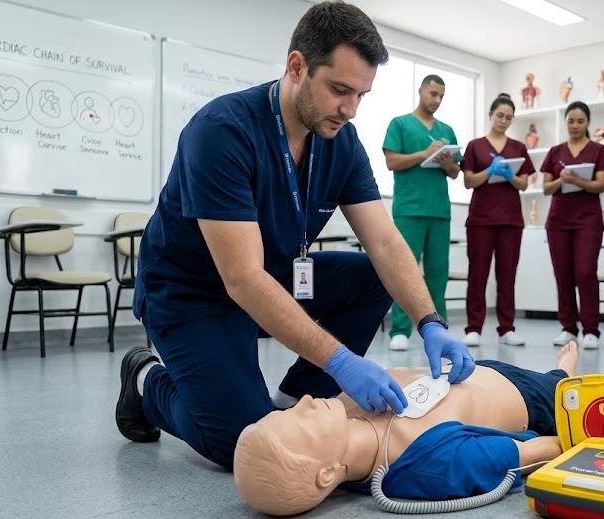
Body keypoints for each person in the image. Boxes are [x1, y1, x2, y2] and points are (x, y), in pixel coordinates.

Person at [115, 1, 475, 471]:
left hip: (274, 277)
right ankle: (145, 380)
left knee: (372, 278)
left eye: (362, 95)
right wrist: (341, 362)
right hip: (191, 294)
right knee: (242, 445)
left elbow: (385, 243)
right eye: (339, 90)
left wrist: (430, 322)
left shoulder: (339, 140)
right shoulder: (222, 132)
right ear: (297, 66)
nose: (349, 109)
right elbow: (242, 278)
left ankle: (291, 400)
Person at [233, 343, 604, 516]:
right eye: (299, 420)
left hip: (477, 371)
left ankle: (557, 370)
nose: (304, 402)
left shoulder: (344, 407)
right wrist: (593, 431)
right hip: (527, 402)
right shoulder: (429, 465)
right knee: (580, 401)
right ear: (327, 474)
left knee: (548, 376)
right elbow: (542, 451)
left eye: (290, 409)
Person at [383, 74, 462, 351]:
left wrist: (446, 162)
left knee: (438, 272)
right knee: (405, 270)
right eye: (432, 93)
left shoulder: (447, 130)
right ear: (420, 91)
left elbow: (455, 173)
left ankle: (437, 329)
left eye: (441, 95)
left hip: (439, 211)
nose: (436, 100)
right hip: (409, 209)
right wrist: (424, 153)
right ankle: (400, 330)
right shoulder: (400, 124)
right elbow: (391, 161)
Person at [461, 93, 533, 347]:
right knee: (477, 275)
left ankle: (506, 328)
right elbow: (468, 180)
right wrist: (488, 170)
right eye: (500, 116)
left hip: (511, 220)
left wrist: (508, 174)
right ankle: (474, 328)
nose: (503, 121)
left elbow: (524, 183)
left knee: (507, 276)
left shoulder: (518, 148)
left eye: (508, 118)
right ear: (490, 115)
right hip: (481, 218)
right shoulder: (475, 146)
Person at [540, 101, 604, 349]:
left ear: (588, 123)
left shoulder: (598, 150)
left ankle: (590, 329)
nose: (575, 125)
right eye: (571, 120)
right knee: (563, 275)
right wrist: (562, 180)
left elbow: (600, 185)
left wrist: (578, 180)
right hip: (558, 220)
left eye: (580, 121)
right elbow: (546, 187)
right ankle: (568, 328)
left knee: (585, 272)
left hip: (588, 220)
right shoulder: (555, 152)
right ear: (566, 122)